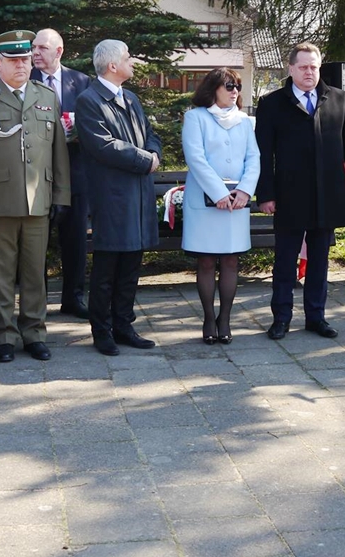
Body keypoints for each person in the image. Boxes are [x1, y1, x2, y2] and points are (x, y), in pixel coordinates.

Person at [0, 30, 71, 363]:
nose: (22, 65)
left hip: (39, 200)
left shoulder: (46, 97)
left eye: (25, 59)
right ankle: (4, 336)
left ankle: (34, 333)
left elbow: (58, 153)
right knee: (1, 273)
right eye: (14, 60)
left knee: (36, 273)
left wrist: (62, 196)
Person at [255, 43, 345, 341]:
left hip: (327, 194)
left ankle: (316, 317)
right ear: (290, 69)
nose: (309, 72)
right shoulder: (272, 103)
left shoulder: (337, 99)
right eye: (303, 67)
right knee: (285, 261)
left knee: (319, 260)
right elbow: (264, 155)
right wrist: (265, 194)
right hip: (289, 195)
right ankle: (281, 318)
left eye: (314, 67)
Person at [75, 39, 161, 356]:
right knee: (106, 271)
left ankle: (124, 326)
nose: (132, 62)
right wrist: (145, 160)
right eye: (128, 57)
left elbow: (150, 134)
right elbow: (104, 145)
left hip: (137, 198)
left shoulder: (132, 99)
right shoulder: (89, 101)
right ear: (112, 65)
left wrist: (154, 153)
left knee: (131, 269)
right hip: (112, 199)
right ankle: (102, 331)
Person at [181, 68, 260, 345]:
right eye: (228, 85)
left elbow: (254, 158)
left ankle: (224, 318)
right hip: (205, 202)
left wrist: (244, 191)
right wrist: (218, 194)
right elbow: (196, 158)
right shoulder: (195, 118)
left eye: (237, 85)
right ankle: (207, 317)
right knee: (205, 261)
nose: (234, 90)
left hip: (236, 203)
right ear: (213, 88)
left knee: (230, 260)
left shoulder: (244, 121)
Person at [30, 28, 92, 318]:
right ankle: (36, 302)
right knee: (35, 242)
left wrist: (81, 131)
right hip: (36, 177)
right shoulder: (24, 80)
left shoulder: (81, 82)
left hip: (75, 173)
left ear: (59, 51)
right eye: (34, 47)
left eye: (42, 48)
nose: (35, 53)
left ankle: (73, 298)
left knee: (75, 241)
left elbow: (95, 124)